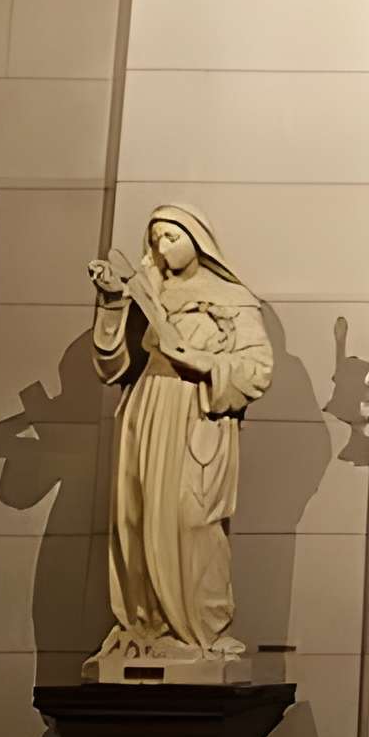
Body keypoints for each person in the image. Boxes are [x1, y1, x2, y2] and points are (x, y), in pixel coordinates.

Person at [85, 206, 274, 669]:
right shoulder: (147, 293)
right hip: (146, 411)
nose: (161, 247)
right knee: (137, 516)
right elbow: (112, 365)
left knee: (191, 520)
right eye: (155, 239)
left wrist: (198, 359)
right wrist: (112, 303)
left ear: (197, 239)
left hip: (196, 416)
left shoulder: (232, 298)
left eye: (172, 236)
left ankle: (202, 633)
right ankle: (144, 625)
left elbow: (258, 370)